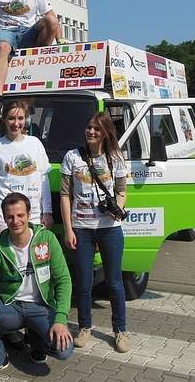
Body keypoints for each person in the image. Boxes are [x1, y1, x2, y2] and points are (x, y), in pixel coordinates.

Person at [0, 193, 73, 382]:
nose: (15, 221)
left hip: (41, 306)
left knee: (63, 349)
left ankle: (37, 341)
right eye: (10, 217)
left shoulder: (47, 239)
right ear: (4, 218)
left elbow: (64, 280)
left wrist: (60, 319)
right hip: (12, 305)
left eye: (20, 215)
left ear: (29, 214)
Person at [60, 111, 130, 353]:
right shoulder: (72, 157)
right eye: (89, 127)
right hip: (82, 228)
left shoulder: (116, 157)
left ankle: (120, 330)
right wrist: (68, 229)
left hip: (110, 229)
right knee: (83, 282)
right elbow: (65, 195)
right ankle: (84, 327)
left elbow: (121, 191)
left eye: (97, 129)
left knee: (115, 283)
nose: (91, 131)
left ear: (106, 133)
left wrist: (117, 208)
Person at [0, 101, 53, 239]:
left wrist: (48, 212)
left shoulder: (35, 143)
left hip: (34, 215)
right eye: (11, 118)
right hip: (3, 218)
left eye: (20, 118)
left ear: (26, 120)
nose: (16, 123)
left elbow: (44, 180)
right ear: (4, 120)